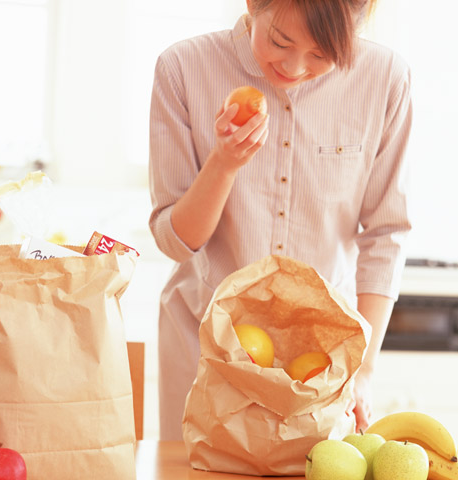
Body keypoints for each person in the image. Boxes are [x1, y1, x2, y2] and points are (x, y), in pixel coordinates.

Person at [148, 0, 412, 441]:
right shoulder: (183, 68)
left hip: (323, 360)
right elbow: (175, 242)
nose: (293, 66)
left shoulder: (385, 79)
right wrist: (224, 163)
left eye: (321, 54)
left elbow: (387, 234)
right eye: (279, 41)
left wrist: (362, 371)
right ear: (254, 4)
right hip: (205, 342)